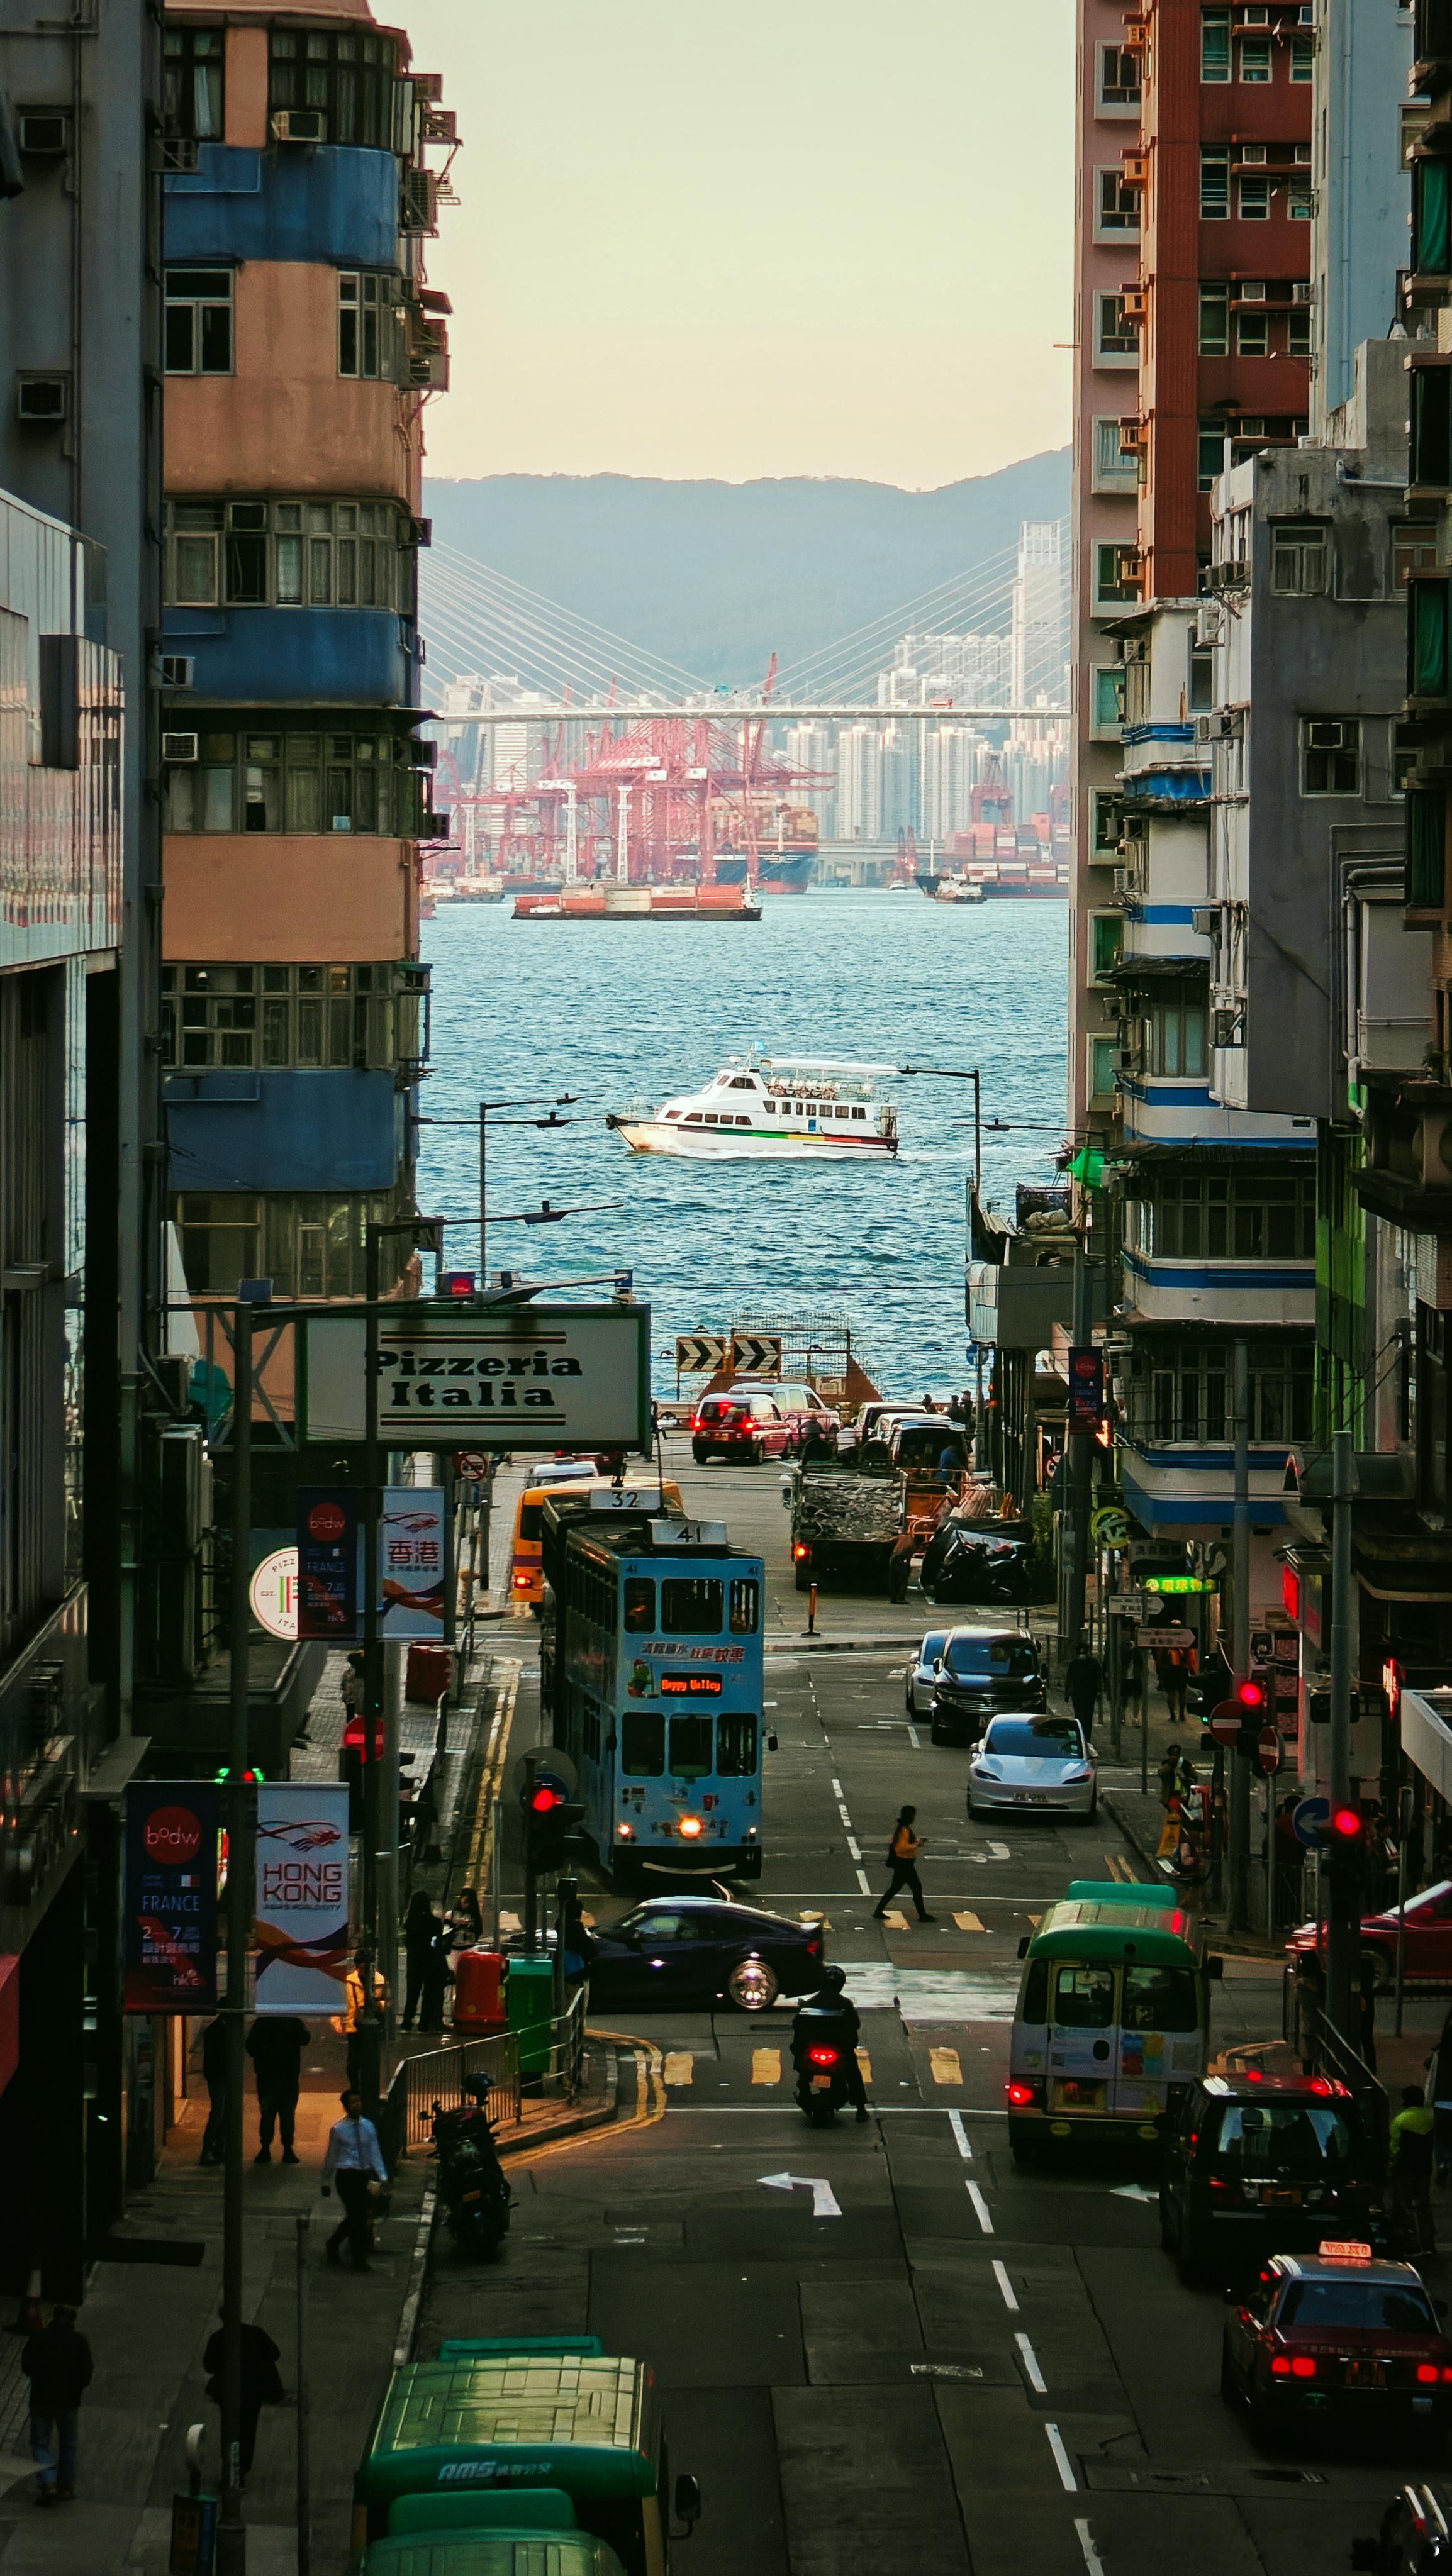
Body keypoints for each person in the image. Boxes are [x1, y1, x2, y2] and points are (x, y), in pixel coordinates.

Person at [23, 2303, 92, 2507]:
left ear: (54, 2316)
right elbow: (86, 2373)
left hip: (41, 2398)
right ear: (73, 2320)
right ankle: (65, 2488)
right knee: (68, 2443)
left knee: (40, 2442)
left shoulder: (39, 2337)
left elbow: (27, 2365)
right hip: (69, 2401)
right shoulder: (79, 2341)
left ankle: (48, 2481)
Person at [202, 2309, 284, 2479]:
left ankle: (231, 2469)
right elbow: (274, 2353)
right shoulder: (256, 2333)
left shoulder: (218, 2338)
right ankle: (241, 2469)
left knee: (230, 2432)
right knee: (248, 2431)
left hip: (229, 2393)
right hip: (253, 2391)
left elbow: (209, 2366)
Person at [322, 2087, 389, 2272]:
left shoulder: (368, 2126)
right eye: (353, 2102)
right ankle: (359, 2257)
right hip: (346, 2176)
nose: (357, 2105)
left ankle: (334, 2243)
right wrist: (326, 2180)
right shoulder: (339, 2130)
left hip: (363, 2175)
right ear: (346, 2106)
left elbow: (374, 2151)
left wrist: (382, 2176)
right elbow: (332, 2156)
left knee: (357, 2215)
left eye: (359, 2102)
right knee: (358, 2215)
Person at [791, 1965, 869, 2123]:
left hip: (829, 2050)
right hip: (832, 2050)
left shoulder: (810, 2004)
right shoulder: (844, 2004)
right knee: (853, 2072)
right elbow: (855, 2025)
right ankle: (860, 2108)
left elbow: (797, 2028)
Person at [245, 2014, 308, 2165]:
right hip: (283, 2076)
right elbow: (305, 2039)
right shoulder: (292, 2021)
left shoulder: (264, 2022)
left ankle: (269, 2148)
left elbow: (251, 2047)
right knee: (283, 2115)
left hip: (271, 2076)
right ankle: (283, 2148)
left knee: (271, 2114)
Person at [1388, 2084, 1437, 2256]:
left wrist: (1390, 2169)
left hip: (1405, 2170)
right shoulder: (1431, 2118)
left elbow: (1395, 2149)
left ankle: (1412, 2244)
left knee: (1406, 2207)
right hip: (1425, 2170)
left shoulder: (1400, 2121)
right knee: (1424, 2205)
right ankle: (1429, 2243)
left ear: (1405, 2101)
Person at [873, 1806, 935, 1924]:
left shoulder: (904, 1829)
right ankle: (922, 1915)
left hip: (904, 1864)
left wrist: (916, 1843)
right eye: (913, 1816)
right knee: (916, 1887)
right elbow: (901, 1848)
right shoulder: (904, 1830)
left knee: (895, 1888)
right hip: (905, 1864)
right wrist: (915, 1844)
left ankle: (878, 1911)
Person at [341, 1951, 388, 2092]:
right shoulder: (350, 1980)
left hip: (371, 2025)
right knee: (353, 2062)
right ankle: (355, 2087)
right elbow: (345, 2001)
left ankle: (368, 2088)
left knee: (369, 2060)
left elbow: (383, 2005)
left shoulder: (378, 1980)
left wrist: (377, 2002)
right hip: (354, 2025)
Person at [402, 1891, 444, 2032]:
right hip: (430, 1962)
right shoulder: (435, 1923)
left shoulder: (411, 1924)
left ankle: (407, 2021)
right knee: (428, 1994)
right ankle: (424, 2023)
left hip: (414, 1963)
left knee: (412, 1992)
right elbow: (437, 1942)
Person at [199, 2013, 229, 2167]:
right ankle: (211, 2150)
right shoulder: (220, 2031)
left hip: (218, 2076)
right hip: (219, 2076)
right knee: (219, 2112)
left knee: (221, 2113)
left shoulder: (217, 2029)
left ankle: (216, 2149)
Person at [1427, 2009, 1452, 2185]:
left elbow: (1427, 2064)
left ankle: (1442, 2164)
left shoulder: (1440, 2055)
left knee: (1441, 2138)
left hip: (1442, 2103)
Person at [1063, 1641, 1103, 1742]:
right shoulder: (1093, 1663)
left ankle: (1081, 1736)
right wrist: (1099, 1692)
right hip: (1089, 1693)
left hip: (1078, 1693)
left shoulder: (1074, 1664)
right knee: (1088, 1715)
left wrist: (1067, 1693)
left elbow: (1069, 1679)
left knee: (1080, 1715)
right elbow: (1099, 1678)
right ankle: (1086, 1737)